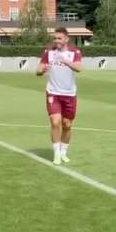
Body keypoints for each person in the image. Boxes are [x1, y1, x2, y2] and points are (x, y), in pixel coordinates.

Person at [37, 27, 82, 165]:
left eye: (59, 38)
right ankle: (56, 154)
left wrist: (65, 61)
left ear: (66, 39)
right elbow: (38, 69)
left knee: (66, 124)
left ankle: (63, 152)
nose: (56, 41)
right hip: (53, 92)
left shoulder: (75, 52)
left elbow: (79, 68)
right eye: (55, 38)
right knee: (55, 122)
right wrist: (41, 70)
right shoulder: (48, 52)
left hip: (69, 94)